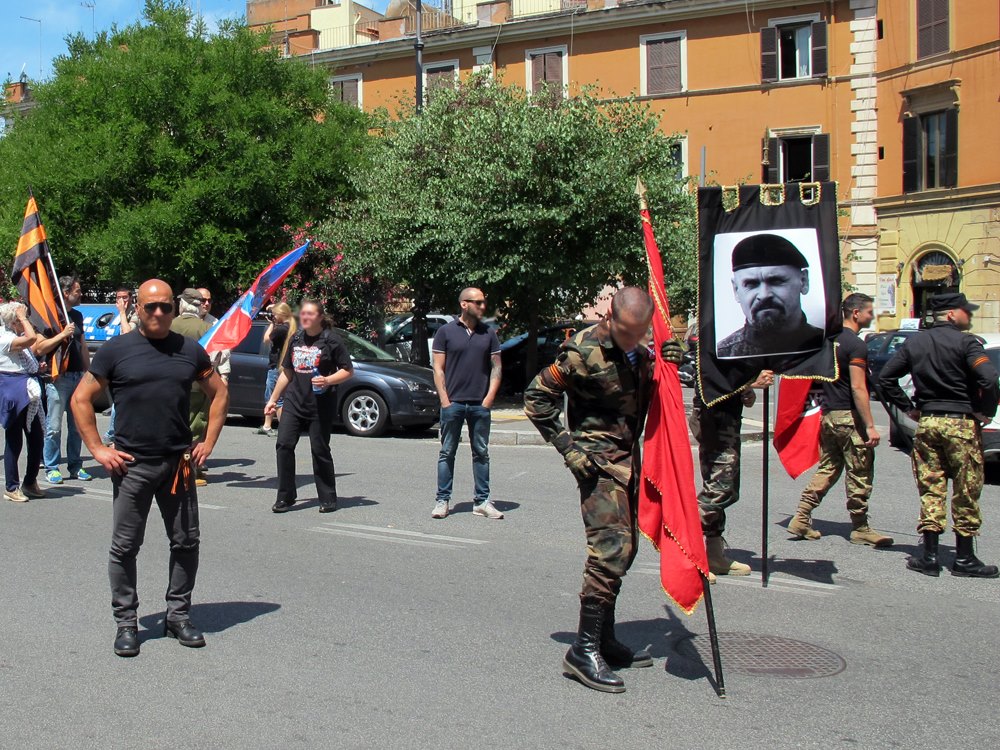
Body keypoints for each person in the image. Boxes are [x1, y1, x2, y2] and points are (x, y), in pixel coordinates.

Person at [525, 287, 683, 694]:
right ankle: (583, 650)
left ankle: (606, 640)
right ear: (610, 316)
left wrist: (671, 363)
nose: (634, 341)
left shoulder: (642, 349)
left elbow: (647, 389)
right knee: (610, 549)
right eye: (627, 333)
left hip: (631, 461)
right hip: (598, 463)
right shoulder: (581, 351)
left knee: (627, 549)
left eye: (641, 333)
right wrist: (569, 451)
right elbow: (536, 399)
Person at [71, 279, 229, 658]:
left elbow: (219, 393)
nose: (158, 313)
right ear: (137, 309)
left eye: (165, 307)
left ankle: (177, 615)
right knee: (125, 547)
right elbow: (80, 399)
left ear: (174, 308)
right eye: (150, 307)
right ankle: (126, 623)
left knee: (186, 542)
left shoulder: (190, 351)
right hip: (132, 466)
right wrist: (97, 449)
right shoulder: (116, 350)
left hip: (178, 464)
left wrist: (207, 442)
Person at [879, 292, 999, 579]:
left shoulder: (915, 342)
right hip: (961, 424)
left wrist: (909, 408)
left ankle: (929, 557)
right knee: (966, 489)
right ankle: (965, 558)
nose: (967, 316)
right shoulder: (967, 342)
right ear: (950, 315)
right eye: (964, 311)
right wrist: (985, 411)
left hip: (929, 422)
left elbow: (885, 378)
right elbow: (990, 378)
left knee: (931, 487)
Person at [789, 293, 893, 546]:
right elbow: (858, 388)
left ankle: (802, 516)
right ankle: (860, 527)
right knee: (859, 471)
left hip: (828, 415)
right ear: (856, 313)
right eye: (869, 312)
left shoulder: (827, 341)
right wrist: (869, 426)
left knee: (830, 467)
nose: (872, 316)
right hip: (848, 416)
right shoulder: (855, 345)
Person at [266, 300, 353, 514]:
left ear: (320, 317)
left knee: (320, 450)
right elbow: (287, 372)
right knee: (284, 445)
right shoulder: (296, 339)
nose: (304, 318)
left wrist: (328, 380)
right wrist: (273, 400)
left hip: (320, 404)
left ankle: (328, 497)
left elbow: (348, 370)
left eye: (309, 314)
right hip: (295, 402)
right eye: (302, 314)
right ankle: (285, 496)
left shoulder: (331, 340)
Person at [690, 365, 774, 578]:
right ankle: (684, 549)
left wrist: (746, 390)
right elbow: (711, 375)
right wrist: (751, 382)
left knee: (724, 487)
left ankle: (714, 555)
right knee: (719, 489)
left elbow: (732, 371)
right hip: (714, 419)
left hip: (727, 418)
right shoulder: (712, 333)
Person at [430, 288, 503, 520]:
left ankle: (482, 501)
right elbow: (438, 368)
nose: (483, 306)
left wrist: (489, 398)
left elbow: (497, 368)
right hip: (453, 403)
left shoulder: (488, 333)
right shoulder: (446, 332)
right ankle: (443, 500)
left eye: (484, 302)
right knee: (447, 452)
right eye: (478, 302)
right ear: (464, 304)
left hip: (479, 404)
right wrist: (445, 400)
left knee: (481, 452)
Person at [716, 233, 824, 358]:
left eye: (776, 281)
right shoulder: (722, 355)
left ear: (804, 282)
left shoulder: (828, 346)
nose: (764, 295)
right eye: (751, 284)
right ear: (736, 290)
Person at [41, 276, 92, 484]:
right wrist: (63, 334)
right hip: (58, 377)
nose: (80, 294)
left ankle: (75, 465)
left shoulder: (78, 316)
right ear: (65, 292)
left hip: (78, 376)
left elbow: (83, 344)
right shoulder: (51, 316)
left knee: (77, 425)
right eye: (77, 290)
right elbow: (41, 346)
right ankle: (51, 467)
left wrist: (90, 373)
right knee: (53, 425)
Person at [0, 303, 44, 503]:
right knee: (14, 439)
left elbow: (27, 357)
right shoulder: (4, 337)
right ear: (14, 320)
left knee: (36, 437)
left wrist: (37, 368)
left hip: (27, 387)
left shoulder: (14, 337)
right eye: (21, 318)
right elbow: (32, 338)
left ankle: (30, 481)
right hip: (12, 389)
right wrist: (22, 316)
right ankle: (11, 486)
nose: (26, 320)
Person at [170, 289, 214, 487]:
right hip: (199, 384)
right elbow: (214, 357)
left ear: (183, 304)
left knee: (174, 425)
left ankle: (171, 468)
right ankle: (191, 470)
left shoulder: (170, 325)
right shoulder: (206, 328)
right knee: (195, 429)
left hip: (171, 384)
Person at [103, 286, 138, 447]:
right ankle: (113, 433)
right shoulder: (114, 315)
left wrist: (123, 313)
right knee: (118, 399)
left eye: (125, 297)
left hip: (130, 363)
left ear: (131, 298)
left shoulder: (135, 314)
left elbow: (126, 334)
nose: (122, 301)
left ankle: (111, 434)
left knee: (120, 398)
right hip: (116, 363)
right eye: (118, 298)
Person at [259, 302, 295, 437]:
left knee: (276, 399)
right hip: (282, 366)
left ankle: (285, 429)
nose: (272, 316)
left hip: (276, 366)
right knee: (274, 398)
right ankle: (267, 425)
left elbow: (266, 339)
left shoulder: (281, 329)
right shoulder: (290, 326)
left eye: (274, 314)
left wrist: (271, 323)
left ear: (280, 315)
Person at [197, 287, 231, 385]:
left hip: (210, 375)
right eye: (203, 300)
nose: (207, 304)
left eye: (209, 300)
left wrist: (224, 376)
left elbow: (224, 350)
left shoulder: (216, 324)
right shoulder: (184, 322)